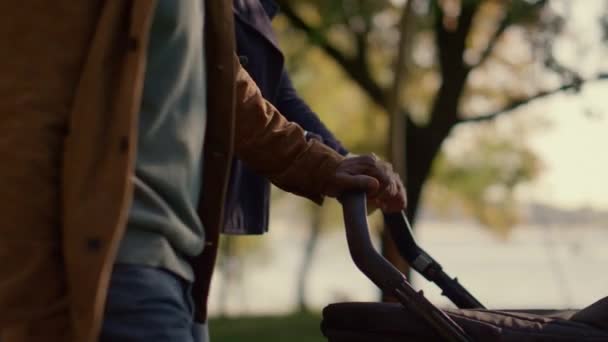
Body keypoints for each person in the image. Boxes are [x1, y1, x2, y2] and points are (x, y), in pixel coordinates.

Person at [0, 2, 405, 342]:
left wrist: (325, 165)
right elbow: (26, 122)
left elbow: (231, 89)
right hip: (111, 268)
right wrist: (30, 303)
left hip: (180, 267)